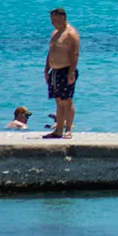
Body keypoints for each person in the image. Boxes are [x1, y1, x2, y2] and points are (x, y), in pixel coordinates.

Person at [44, 8, 80, 139]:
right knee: (58, 101)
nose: (53, 23)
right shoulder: (55, 33)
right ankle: (58, 130)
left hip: (66, 70)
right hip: (55, 71)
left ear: (63, 18)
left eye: (55, 20)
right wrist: (46, 69)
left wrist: (71, 72)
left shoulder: (71, 34)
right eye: (52, 20)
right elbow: (50, 52)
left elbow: (75, 54)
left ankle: (68, 129)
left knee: (67, 101)